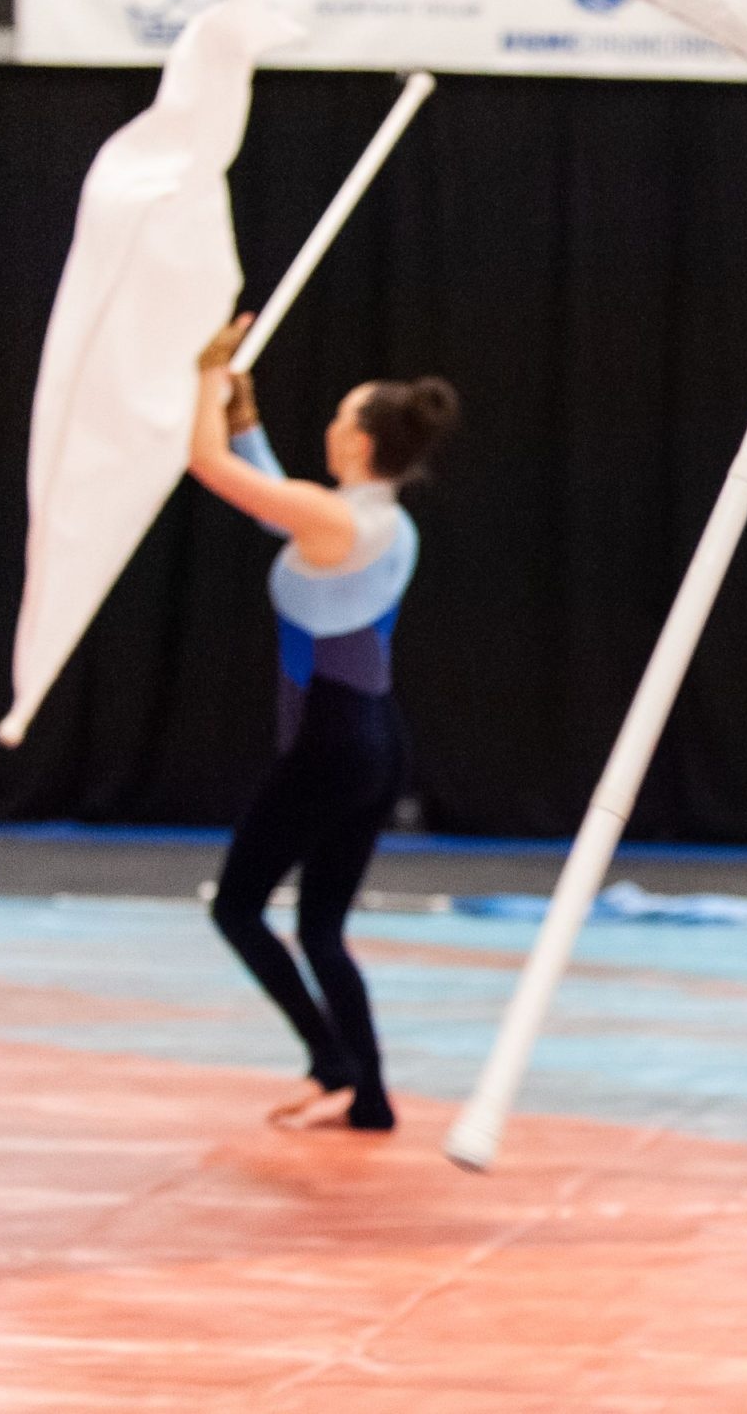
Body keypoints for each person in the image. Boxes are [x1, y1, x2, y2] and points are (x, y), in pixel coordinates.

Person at [188, 317, 461, 1132]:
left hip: (330, 746)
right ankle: (366, 1092)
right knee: (320, 926)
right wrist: (243, 413)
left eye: (342, 416)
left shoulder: (335, 519)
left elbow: (206, 467)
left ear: (359, 440)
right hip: (378, 739)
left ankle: (335, 1060)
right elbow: (278, 503)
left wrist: (207, 375)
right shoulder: (381, 522)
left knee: (237, 907)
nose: (331, 425)